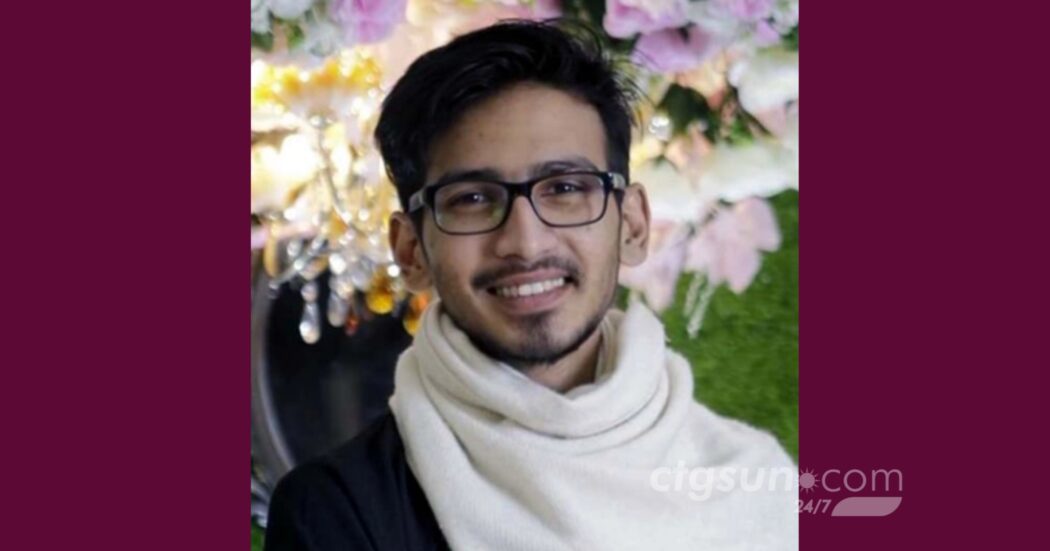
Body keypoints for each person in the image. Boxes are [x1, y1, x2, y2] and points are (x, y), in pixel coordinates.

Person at [265, 19, 797, 551]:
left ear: (633, 225)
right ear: (411, 251)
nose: (525, 241)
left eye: (565, 188)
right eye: (473, 199)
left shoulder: (756, 483)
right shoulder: (336, 512)